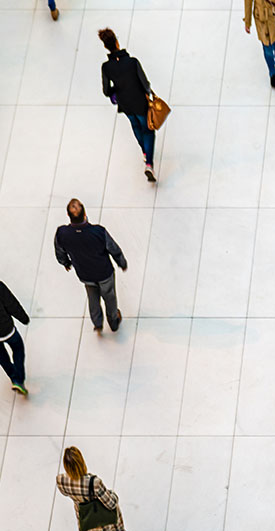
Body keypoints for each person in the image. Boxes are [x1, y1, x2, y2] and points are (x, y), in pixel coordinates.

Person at [54, 199, 128, 334]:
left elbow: (60, 252)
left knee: (92, 297)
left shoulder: (62, 233)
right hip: (104, 273)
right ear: (85, 213)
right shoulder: (98, 232)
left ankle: (97, 323)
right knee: (109, 297)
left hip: (84, 274)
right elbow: (113, 249)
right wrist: (121, 262)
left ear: (67, 215)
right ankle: (113, 321)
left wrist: (66, 263)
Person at [99, 28, 157, 182]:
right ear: (117, 42)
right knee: (148, 130)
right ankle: (149, 164)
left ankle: (145, 152)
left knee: (136, 126)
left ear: (106, 46)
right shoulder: (132, 62)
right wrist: (149, 92)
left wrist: (115, 90)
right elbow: (145, 83)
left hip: (125, 104)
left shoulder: (106, 67)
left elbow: (106, 90)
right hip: (140, 102)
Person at [244, 0, 275, 88]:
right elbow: (248, 2)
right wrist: (247, 21)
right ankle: (272, 73)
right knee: (267, 48)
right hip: (261, 19)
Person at [0, 280, 29, 396]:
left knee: (2, 357)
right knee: (18, 349)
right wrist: (24, 318)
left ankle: (13, 376)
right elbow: (11, 304)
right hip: (6, 328)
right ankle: (19, 380)